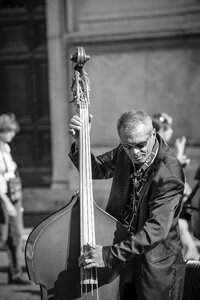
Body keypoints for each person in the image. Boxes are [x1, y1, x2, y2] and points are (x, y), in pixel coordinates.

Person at [69, 109, 185, 300]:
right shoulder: (125, 151)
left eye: (140, 145)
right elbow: (96, 169)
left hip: (154, 263)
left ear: (153, 135)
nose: (134, 152)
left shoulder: (168, 173)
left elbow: (156, 230)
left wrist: (108, 255)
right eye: (128, 146)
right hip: (123, 255)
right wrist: (81, 142)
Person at [152, 112, 199, 261]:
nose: (170, 131)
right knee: (186, 247)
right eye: (167, 129)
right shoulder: (155, 150)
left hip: (172, 207)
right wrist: (179, 155)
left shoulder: (161, 148)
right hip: (168, 210)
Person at [0, 113, 29, 284]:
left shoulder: (6, 147)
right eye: (10, 131)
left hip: (14, 194)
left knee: (15, 235)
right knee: (7, 235)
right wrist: (6, 203)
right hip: (5, 196)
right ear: (2, 130)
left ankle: (15, 272)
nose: (13, 134)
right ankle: (15, 271)